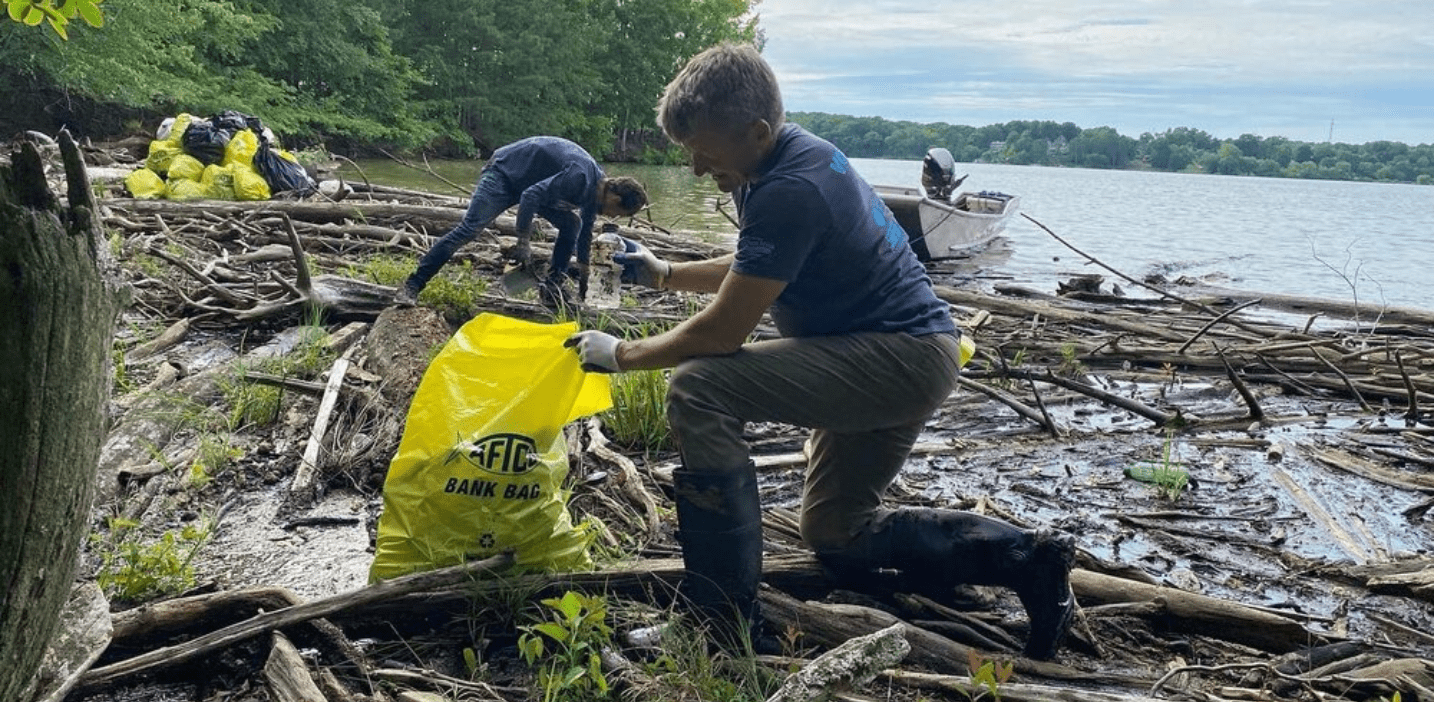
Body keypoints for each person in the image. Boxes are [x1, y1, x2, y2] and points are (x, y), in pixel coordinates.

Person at [565, 43, 1076, 660]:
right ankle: (1028, 557)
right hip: (909, 353)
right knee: (835, 531)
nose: (697, 169)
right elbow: (762, 264)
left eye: (704, 152)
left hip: (898, 359)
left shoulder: (791, 187)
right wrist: (667, 272)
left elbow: (722, 335)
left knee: (699, 386)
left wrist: (620, 354)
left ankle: (720, 622)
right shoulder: (783, 160)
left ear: (757, 132)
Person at [394, 136, 648, 307]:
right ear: (614, 195)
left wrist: (585, 284)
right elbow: (530, 196)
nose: (613, 217)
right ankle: (413, 285)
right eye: (617, 211)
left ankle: (551, 288)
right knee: (469, 229)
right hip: (504, 174)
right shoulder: (580, 178)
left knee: (573, 224)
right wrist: (523, 240)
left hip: (532, 184)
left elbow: (583, 237)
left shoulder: (596, 192)